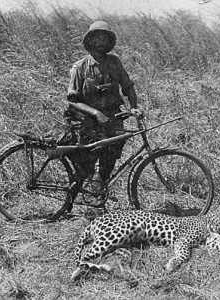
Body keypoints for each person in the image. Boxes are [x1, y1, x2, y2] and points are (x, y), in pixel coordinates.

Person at [66, 20, 140, 209]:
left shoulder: (115, 62)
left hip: (113, 118)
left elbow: (128, 86)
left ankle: (100, 194)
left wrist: (134, 106)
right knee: (86, 166)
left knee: (110, 157)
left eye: (104, 38)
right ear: (90, 41)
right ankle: (70, 203)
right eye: (97, 37)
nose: (101, 41)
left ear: (109, 42)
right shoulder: (80, 67)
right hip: (89, 121)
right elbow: (73, 100)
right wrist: (95, 113)